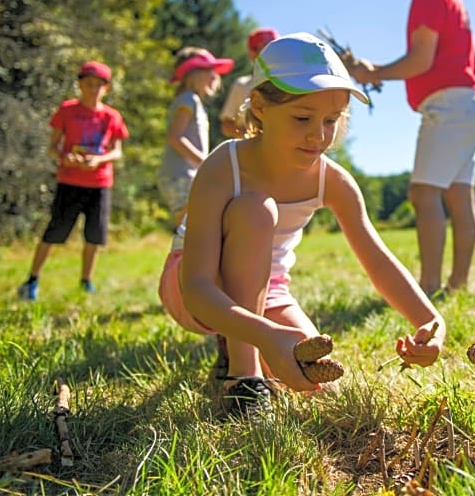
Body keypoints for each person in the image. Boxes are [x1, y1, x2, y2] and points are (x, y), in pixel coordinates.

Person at [158, 32, 445, 416]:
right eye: (302, 118)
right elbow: (196, 288)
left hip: (269, 292)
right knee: (256, 210)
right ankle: (244, 380)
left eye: (331, 120)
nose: (318, 135)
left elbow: (378, 262)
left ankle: (244, 345)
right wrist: (266, 336)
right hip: (194, 288)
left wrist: (430, 320)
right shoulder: (222, 167)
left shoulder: (333, 180)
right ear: (259, 107)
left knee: (319, 384)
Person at [350, 0, 475, 297]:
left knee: (423, 194)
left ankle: (428, 285)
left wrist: (373, 73)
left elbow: (420, 60)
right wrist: (377, 73)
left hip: (448, 109)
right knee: (459, 197)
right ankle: (456, 285)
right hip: (469, 106)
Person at [17, 61, 130, 300]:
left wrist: (99, 161)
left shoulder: (112, 116)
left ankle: (86, 281)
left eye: (99, 86)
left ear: (106, 89)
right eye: (89, 84)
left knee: (94, 236)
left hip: (99, 183)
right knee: (54, 231)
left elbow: (117, 150)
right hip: (70, 181)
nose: (94, 89)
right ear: (80, 84)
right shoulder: (67, 111)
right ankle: (32, 280)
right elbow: (52, 147)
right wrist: (64, 157)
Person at [158, 47, 234, 229]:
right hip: (181, 175)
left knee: (191, 227)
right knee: (190, 227)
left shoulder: (192, 100)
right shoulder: (188, 99)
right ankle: (183, 258)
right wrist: (205, 162)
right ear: (193, 74)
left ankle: (186, 257)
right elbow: (175, 137)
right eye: (208, 70)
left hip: (186, 174)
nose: (214, 76)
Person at [220, 27, 280, 138]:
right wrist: (252, 138)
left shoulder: (286, 83)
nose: (272, 53)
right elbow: (226, 124)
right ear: (253, 53)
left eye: (275, 48)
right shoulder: (241, 85)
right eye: (265, 48)